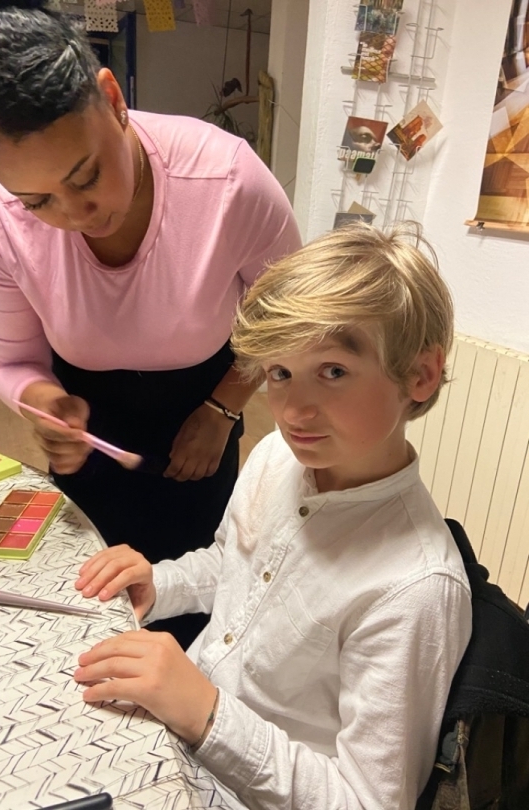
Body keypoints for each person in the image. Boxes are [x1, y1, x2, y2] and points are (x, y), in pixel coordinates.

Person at [72, 222, 473, 810]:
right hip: (176, 737)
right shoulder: (275, 457)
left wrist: (206, 713)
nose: (294, 410)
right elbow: (234, 563)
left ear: (420, 375)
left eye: (333, 371)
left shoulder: (415, 589)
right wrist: (161, 584)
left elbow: (370, 801)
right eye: (280, 373)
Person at [0, 0, 301, 647]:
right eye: (38, 201)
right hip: (90, 432)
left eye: (87, 176)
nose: (75, 214)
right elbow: (12, 361)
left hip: (203, 415)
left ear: (112, 100)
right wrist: (45, 403)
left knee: (192, 609)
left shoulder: (226, 180)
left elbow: (289, 319)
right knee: (85, 608)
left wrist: (222, 410)